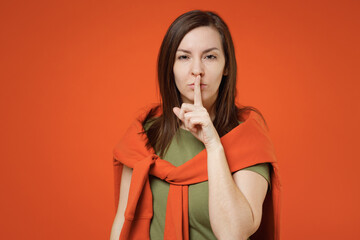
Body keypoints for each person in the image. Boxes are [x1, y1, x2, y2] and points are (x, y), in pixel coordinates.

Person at [110, 10, 281, 240]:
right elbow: (122, 224)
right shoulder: (144, 136)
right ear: (170, 66)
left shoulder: (247, 137)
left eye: (210, 57)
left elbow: (234, 234)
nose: (197, 70)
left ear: (226, 66)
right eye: (184, 57)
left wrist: (213, 144)